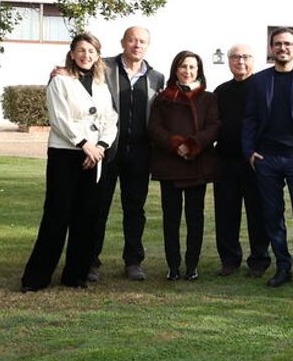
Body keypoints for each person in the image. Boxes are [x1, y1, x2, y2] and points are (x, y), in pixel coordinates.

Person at [21, 33, 117, 292]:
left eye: (91, 51)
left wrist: (100, 146)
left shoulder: (101, 84)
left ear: (97, 56)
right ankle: (36, 278)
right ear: (72, 53)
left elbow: (110, 119)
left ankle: (75, 275)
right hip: (66, 154)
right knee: (57, 215)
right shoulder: (60, 81)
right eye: (82, 50)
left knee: (86, 217)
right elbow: (59, 119)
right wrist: (84, 144)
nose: (86, 55)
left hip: (94, 156)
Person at [242, 28, 293, 295]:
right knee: (273, 215)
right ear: (271, 48)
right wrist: (250, 152)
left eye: (288, 44)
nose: (283, 48)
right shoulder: (260, 81)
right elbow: (250, 119)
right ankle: (283, 267)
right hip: (267, 158)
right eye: (278, 44)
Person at [91, 26, 164, 282]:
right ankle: (91, 262)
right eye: (132, 40)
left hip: (140, 153)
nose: (137, 45)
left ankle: (133, 262)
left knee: (135, 210)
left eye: (142, 41)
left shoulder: (156, 77)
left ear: (147, 45)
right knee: (98, 207)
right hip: (107, 150)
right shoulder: (103, 67)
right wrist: (60, 71)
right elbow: (78, 76)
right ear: (123, 42)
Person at [148, 51, 221, 281]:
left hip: (196, 163)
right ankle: (173, 266)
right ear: (175, 69)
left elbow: (214, 127)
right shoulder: (163, 98)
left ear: (198, 70)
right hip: (170, 164)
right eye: (183, 66)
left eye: (192, 67)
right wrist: (176, 144)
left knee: (195, 218)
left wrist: (192, 145)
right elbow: (154, 128)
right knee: (171, 218)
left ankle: (192, 266)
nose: (187, 71)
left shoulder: (208, 98)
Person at [213, 44, 272, 277]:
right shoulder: (221, 91)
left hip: (255, 160)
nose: (240, 62)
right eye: (236, 57)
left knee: (258, 213)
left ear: (253, 60)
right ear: (229, 61)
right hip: (226, 160)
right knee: (226, 213)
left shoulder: (263, 88)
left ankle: (259, 261)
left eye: (246, 57)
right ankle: (229, 260)